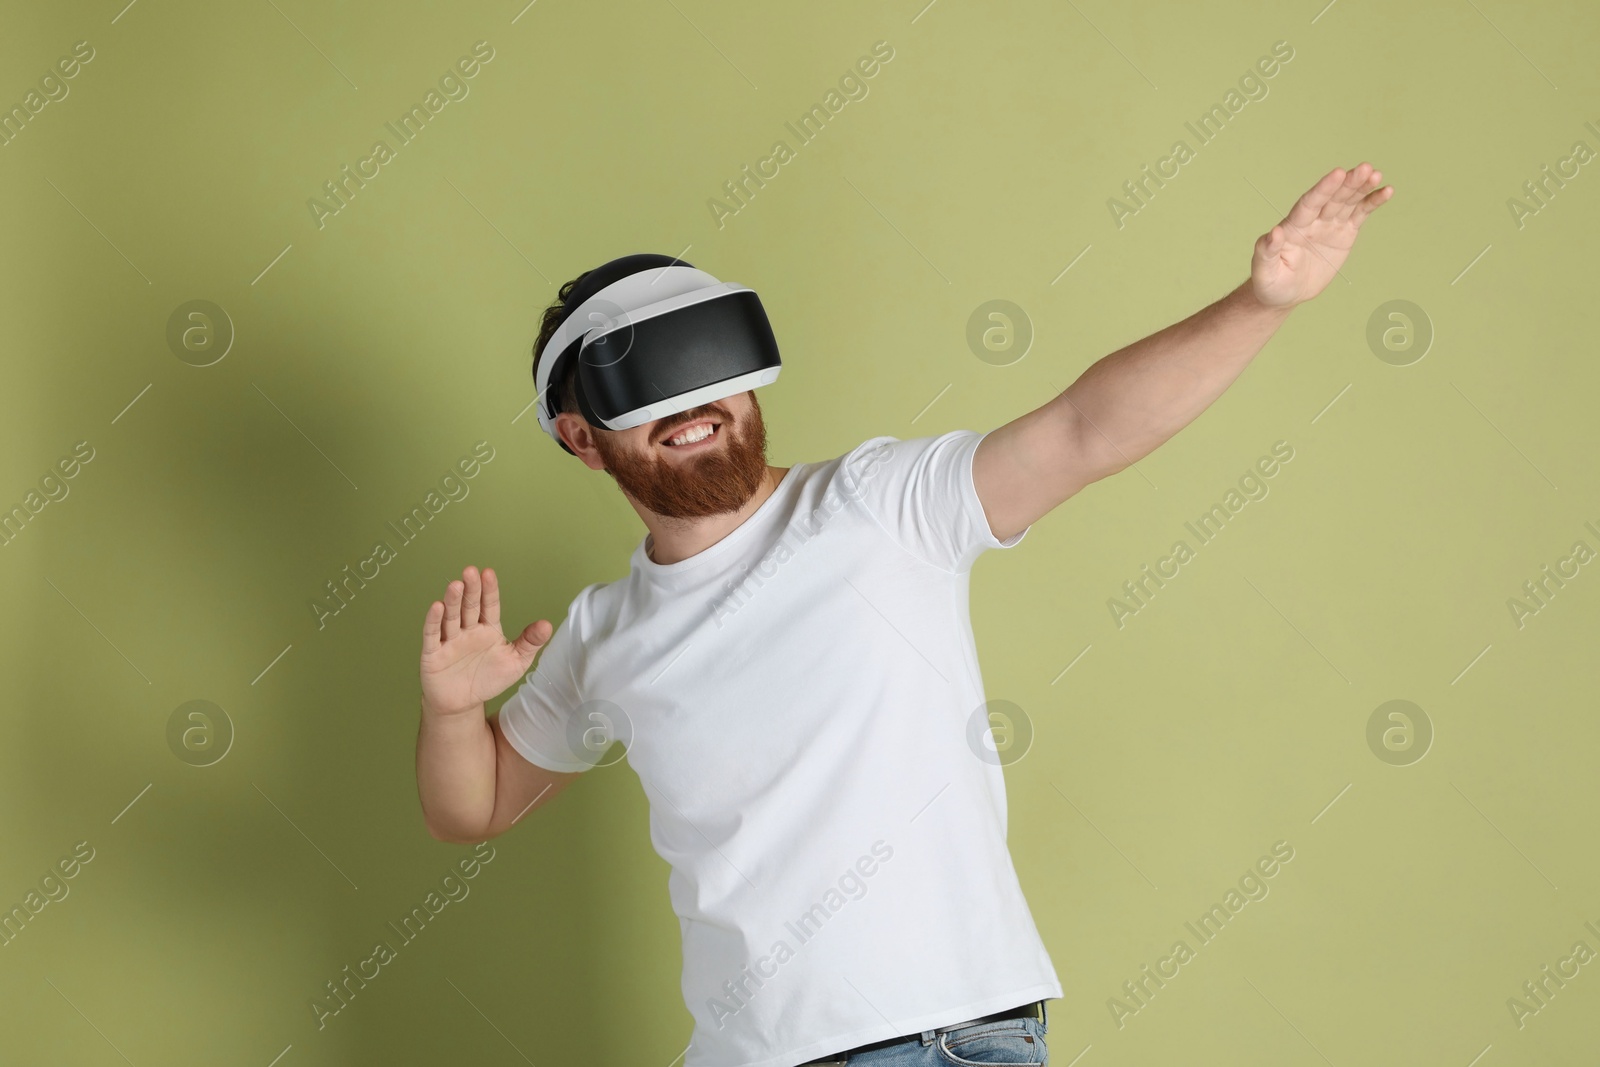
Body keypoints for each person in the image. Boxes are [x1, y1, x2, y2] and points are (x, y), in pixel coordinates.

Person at [413, 164, 1394, 1066]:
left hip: (928, 1039)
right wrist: (454, 711)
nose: (695, 403)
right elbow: (477, 805)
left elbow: (1084, 429)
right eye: (647, 385)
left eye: (710, 363)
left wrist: (1258, 303)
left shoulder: (879, 505)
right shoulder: (603, 630)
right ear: (581, 438)